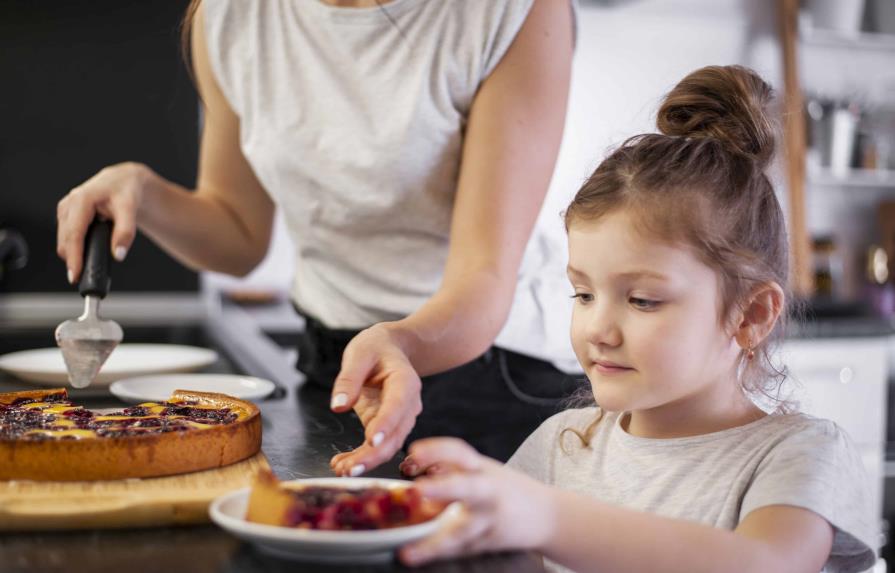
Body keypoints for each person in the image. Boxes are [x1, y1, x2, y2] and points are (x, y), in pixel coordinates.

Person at [55, 0, 582, 474]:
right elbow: (237, 239)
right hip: (337, 367)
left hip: (487, 370)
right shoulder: (232, 15)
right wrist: (144, 193)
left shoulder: (512, 12)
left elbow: (483, 277)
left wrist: (398, 340)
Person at [396, 65, 876, 572]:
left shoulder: (800, 454)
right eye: (582, 294)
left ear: (750, 315)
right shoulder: (561, 445)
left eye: (643, 300)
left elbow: (760, 564)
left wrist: (546, 518)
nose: (597, 330)